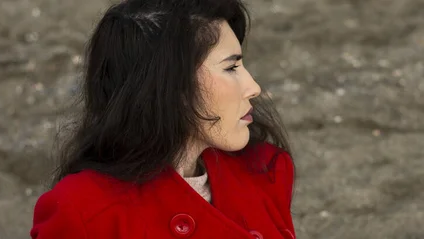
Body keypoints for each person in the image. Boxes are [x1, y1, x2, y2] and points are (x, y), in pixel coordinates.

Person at [29, 0, 296, 238]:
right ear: (170, 86)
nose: (253, 87)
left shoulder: (265, 173)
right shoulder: (84, 213)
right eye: (231, 67)